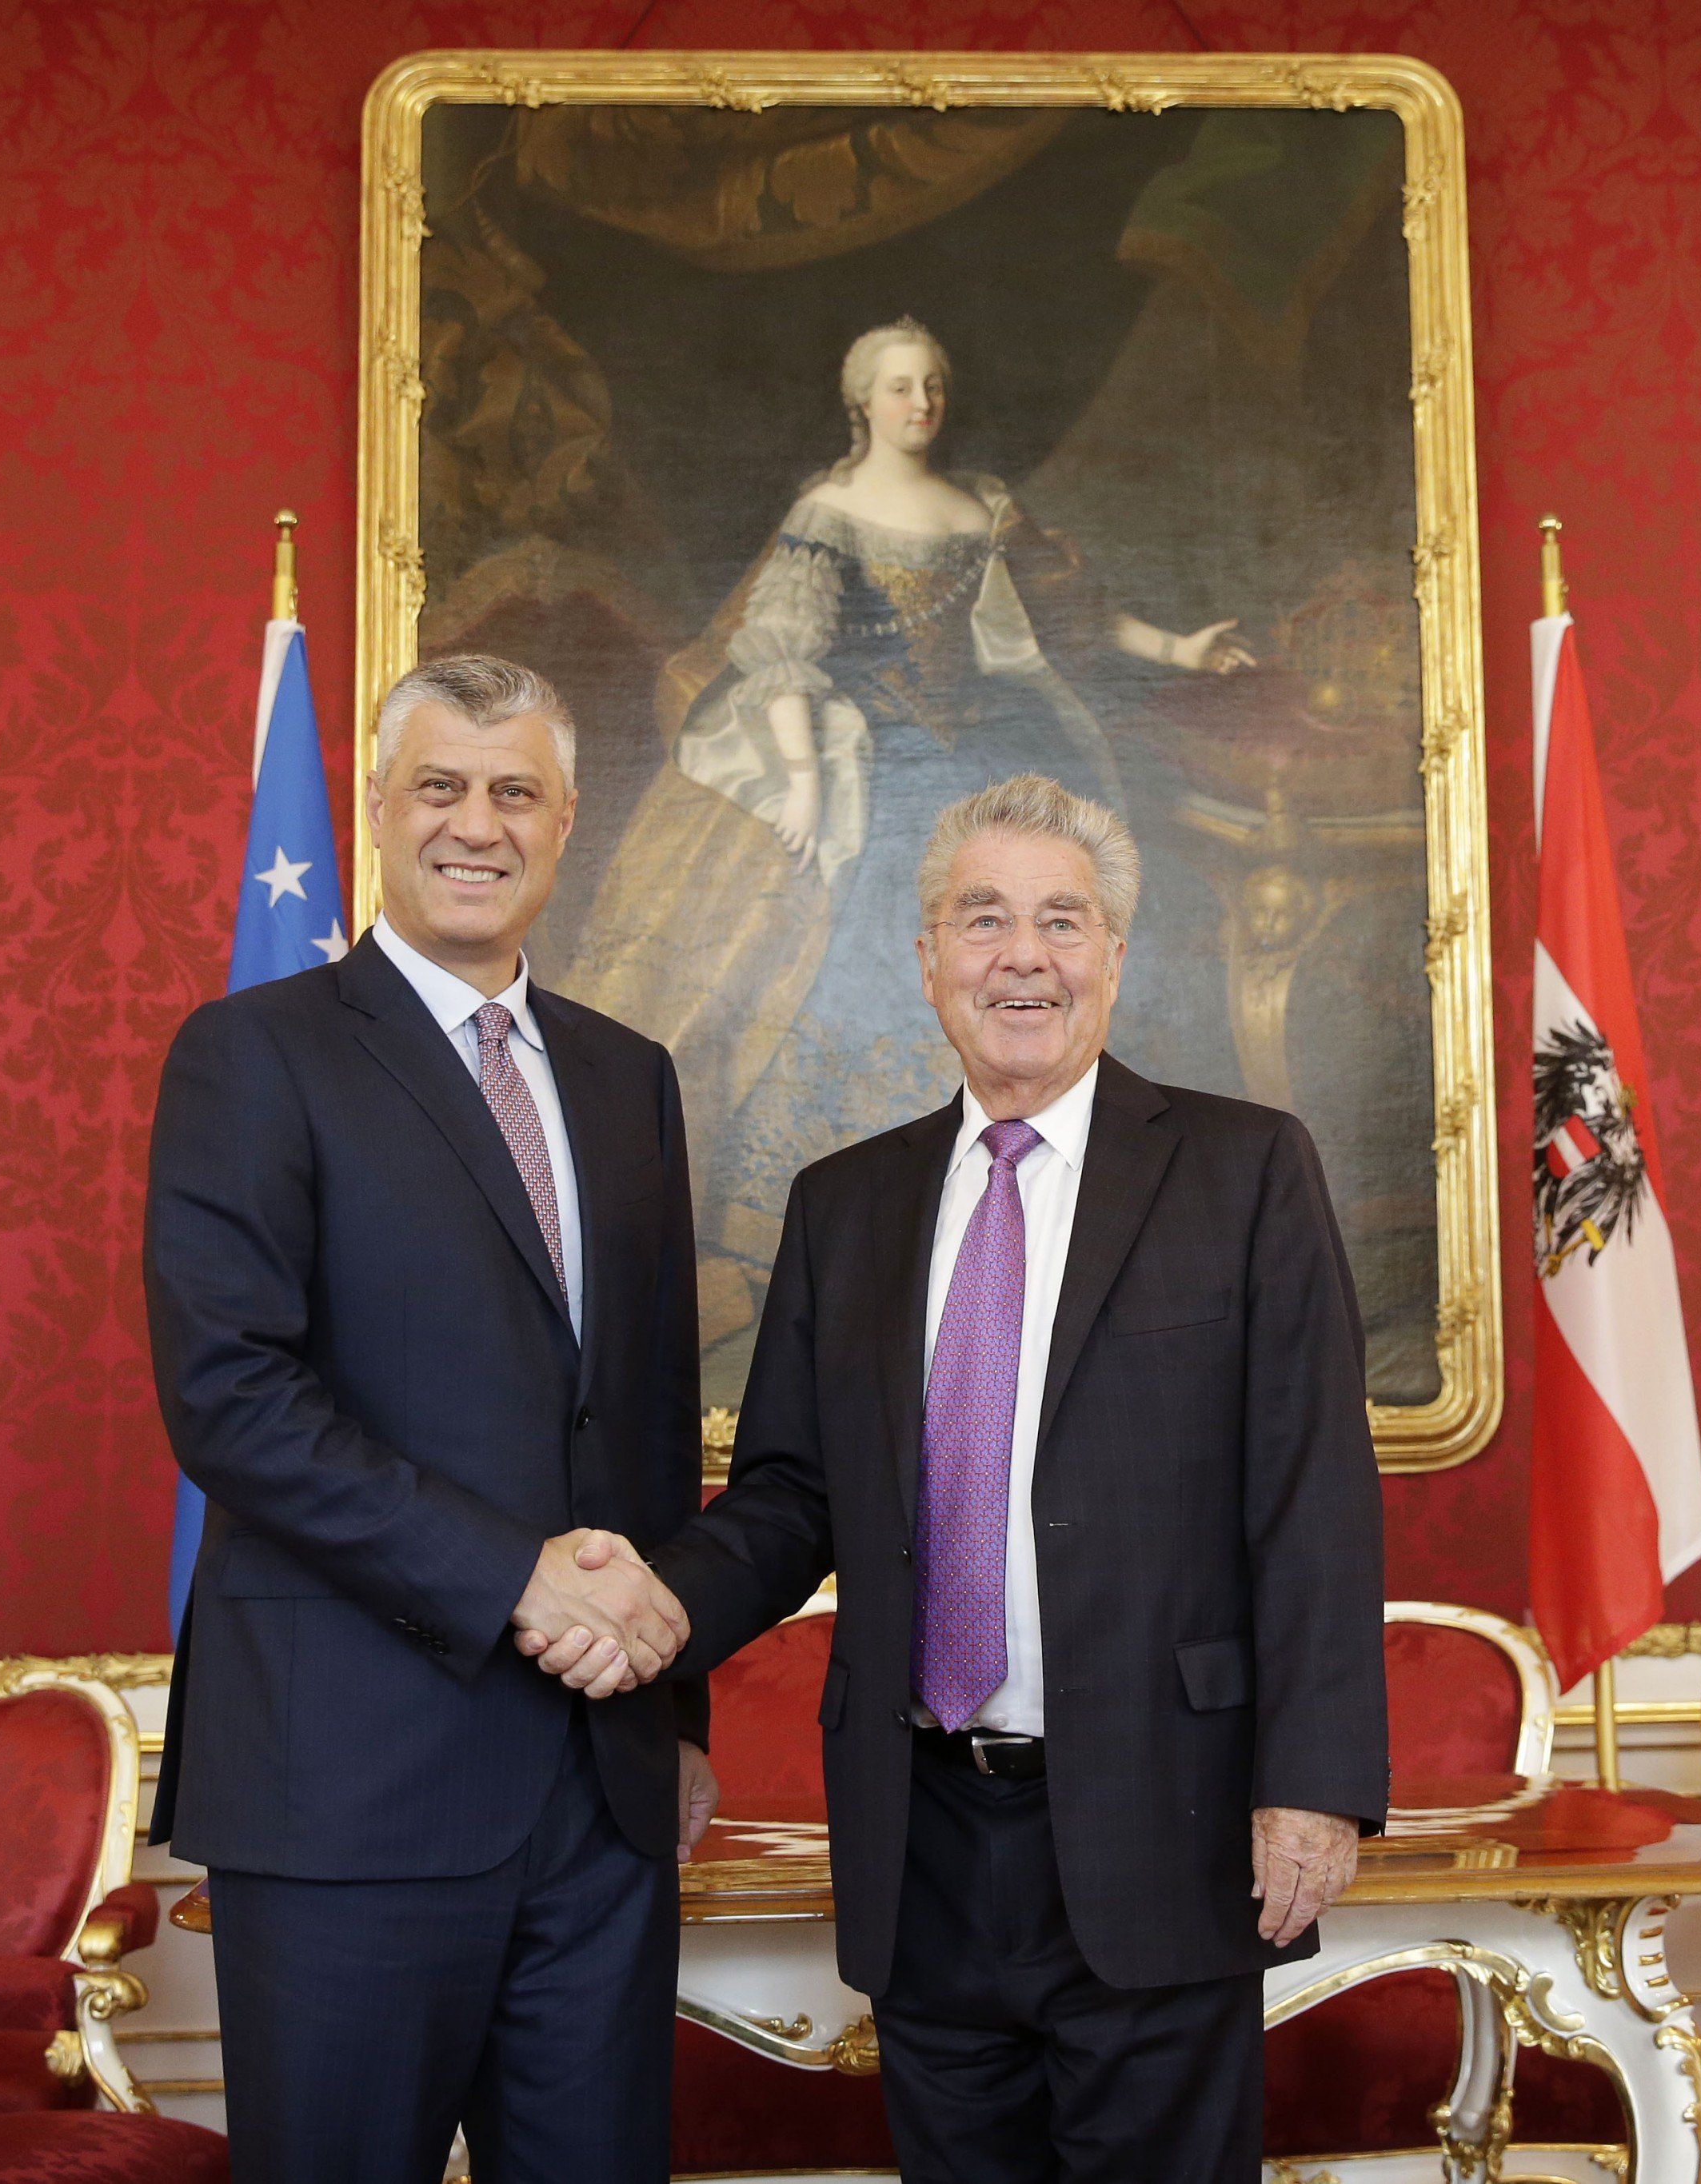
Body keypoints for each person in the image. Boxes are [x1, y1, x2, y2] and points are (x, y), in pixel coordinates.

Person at [553, 772, 1388, 2181]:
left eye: (1063, 921)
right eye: (983, 918)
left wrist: (1312, 1784)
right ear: (927, 955)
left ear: (1117, 956)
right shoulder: (846, 1206)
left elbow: (1311, 1496)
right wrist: (656, 1606)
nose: (1024, 956)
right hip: (926, 1835)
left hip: (1164, 1823)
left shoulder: (1245, 1172)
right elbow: (790, 1497)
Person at [143, 655, 715, 2184]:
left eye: (515, 790)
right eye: (443, 788)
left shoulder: (627, 1079)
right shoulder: (253, 1055)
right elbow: (235, 1399)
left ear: (567, 821)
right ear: (382, 811)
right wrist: (513, 1577)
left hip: (600, 1795)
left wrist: (677, 1713)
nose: (480, 823)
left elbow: (649, 1424)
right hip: (348, 1787)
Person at [565, 317, 1253, 1357]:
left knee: (1034, 932)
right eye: (898, 387)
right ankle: (805, 1230)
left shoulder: (981, 506)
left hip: (987, 756)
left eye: (931, 384)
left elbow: (1073, 619)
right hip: (869, 762)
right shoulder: (829, 512)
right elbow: (784, 657)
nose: (920, 403)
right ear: (863, 404)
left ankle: (1015, 1204)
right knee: (855, 944)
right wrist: (800, 782)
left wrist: (1180, 646)